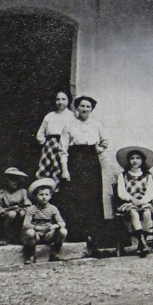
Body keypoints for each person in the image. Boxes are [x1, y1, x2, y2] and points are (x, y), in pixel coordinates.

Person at [59, 95, 108, 244]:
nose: (84, 109)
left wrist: (97, 150)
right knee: (76, 197)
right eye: (82, 106)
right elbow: (63, 149)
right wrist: (64, 170)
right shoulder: (69, 125)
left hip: (92, 162)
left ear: (92, 109)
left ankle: (94, 235)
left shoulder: (97, 125)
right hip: (75, 161)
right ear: (76, 108)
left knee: (92, 197)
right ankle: (76, 234)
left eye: (88, 106)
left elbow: (105, 142)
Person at [115, 146, 153, 256]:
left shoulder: (148, 176)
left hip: (144, 202)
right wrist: (132, 200)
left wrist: (142, 201)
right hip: (128, 203)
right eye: (132, 158)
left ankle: (141, 244)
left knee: (147, 213)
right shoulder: (122, 175)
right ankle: (143, 245)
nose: (135, 161)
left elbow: (150, 192)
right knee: (133, 213)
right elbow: (121, 192)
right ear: (128, 160)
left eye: (138, 158)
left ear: (142, 160)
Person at [22, 178, 67, 264]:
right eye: (41, 194)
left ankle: (54, 253)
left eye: (46, 194)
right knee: (29, 232)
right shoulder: (32, 209)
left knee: (63, 231)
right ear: (35, 196)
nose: (44, 197)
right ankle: (31, 255)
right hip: (36, 235)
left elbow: (62, 223)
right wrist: (36, 227)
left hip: (48, 235)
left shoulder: (53, 208)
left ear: (50, 196)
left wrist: (56, 226)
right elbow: (25, 224)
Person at [36, 91, 76, 185]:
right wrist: (46, 144)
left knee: (63, 172)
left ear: (68, 100)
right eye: (57, 99)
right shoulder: (50, 116)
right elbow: (40, 134)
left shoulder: (72, 116)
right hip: (50, 148)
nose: (60, 102)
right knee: (48, 172)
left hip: (66, 148)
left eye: (63, 99)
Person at [0, 167, 32, 246]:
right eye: (12, 179)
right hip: (5, 218)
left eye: (17, 179)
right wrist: (8, 210)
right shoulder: (0, 193)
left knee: (23, 213)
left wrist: (21, 210)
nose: (15, 182)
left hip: (19, 217)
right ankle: (4, 237)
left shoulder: (23, 192)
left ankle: (19, 237)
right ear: (6, 180)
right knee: (11, 214)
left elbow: (28, 206)